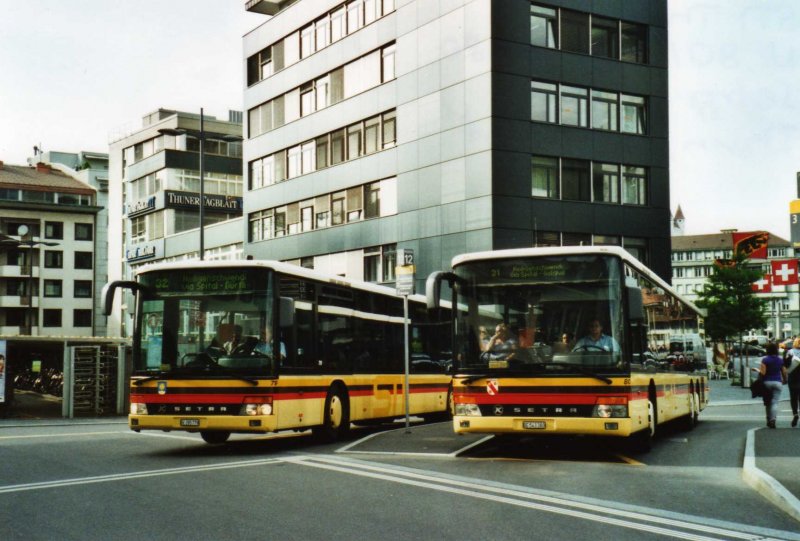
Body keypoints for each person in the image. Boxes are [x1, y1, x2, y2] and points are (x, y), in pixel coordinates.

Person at [759, 342, 787, 429]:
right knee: (774, 402)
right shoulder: (780, 360)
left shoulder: (765, 360)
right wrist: (785, 380)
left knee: (767, 402)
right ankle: (773, 420)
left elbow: (763, 373)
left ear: (767, 350)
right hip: (777, 382)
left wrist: (758, 371)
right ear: (776, 350)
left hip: (766, 383)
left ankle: (768, 419)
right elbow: (784, 372)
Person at [784, 337, 800, 428]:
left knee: (793, 397)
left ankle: (795, 414)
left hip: (792, 377)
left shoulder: (790, 352)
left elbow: (785, 363)